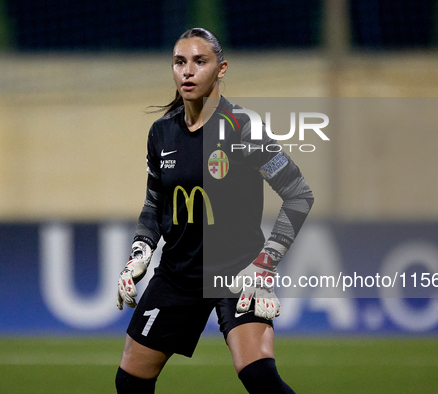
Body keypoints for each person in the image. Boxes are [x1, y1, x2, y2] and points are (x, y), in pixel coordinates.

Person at [115, 27, 313, 394]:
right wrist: (140, 253)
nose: (187, 71)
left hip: (238, 274)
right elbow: (154, 204)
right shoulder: (161, 133)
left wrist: (265, 263)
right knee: (129, 383)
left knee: (259, 376)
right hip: (177, 276)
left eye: (199, 61)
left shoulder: (244, 128)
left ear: (221, 69)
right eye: (179, 62)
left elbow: (299, 194)